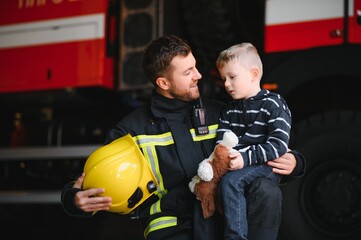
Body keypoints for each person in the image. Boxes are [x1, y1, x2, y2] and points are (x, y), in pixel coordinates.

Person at [61, 35, 305, 240]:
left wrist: (295, 163)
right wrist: (74, 200)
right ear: (163, 82)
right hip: (171, 227)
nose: (199, 75)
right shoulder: (133, 129)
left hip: (223, 221)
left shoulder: (223, 111)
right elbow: (93, 177)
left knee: (266, 189)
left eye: (195, 67)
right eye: (188, 72)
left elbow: (260, 148)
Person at [204, 42, 291, 240]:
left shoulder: (274, 104)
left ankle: (235, 237)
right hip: (239, 165)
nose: (226, 84)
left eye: (232, 77)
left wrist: (244, 158)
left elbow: (279, 145)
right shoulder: (229, 110)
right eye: (224, 78)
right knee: (227, 182)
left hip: (266, 164)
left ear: (253, 74)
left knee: (231, 182)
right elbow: (221, 145)